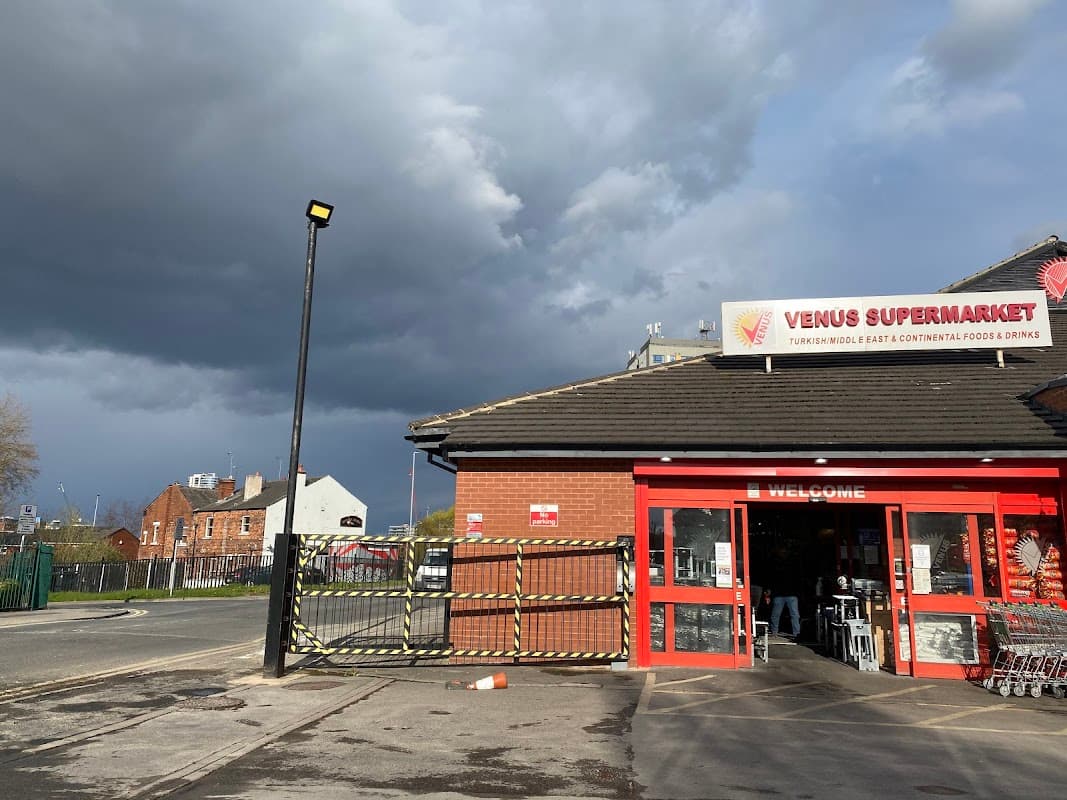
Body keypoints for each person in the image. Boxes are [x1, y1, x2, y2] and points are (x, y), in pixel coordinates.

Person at [768, 548, 802, 638]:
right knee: (793, 614)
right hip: (789, 593)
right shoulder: (793, 564)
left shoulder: (776, 564)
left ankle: (775, 632)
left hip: (782, 593)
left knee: (777, 614)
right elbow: (798, 578)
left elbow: (772, 578)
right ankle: (796, 633)